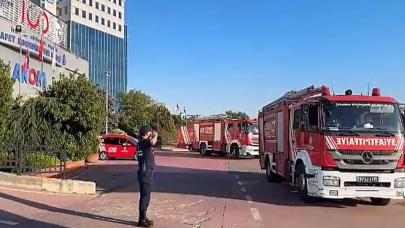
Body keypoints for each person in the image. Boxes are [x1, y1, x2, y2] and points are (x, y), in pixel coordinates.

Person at [137, 125, 158, 227]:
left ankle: (143, 217)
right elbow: (153, 142)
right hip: (146, 174)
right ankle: (142, 220)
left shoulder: (139, 143)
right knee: (145, 197)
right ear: (147, 133)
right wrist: (156, 134)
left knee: (144, 197)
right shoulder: (146, 143)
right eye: (150, 132)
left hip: (143, 172)